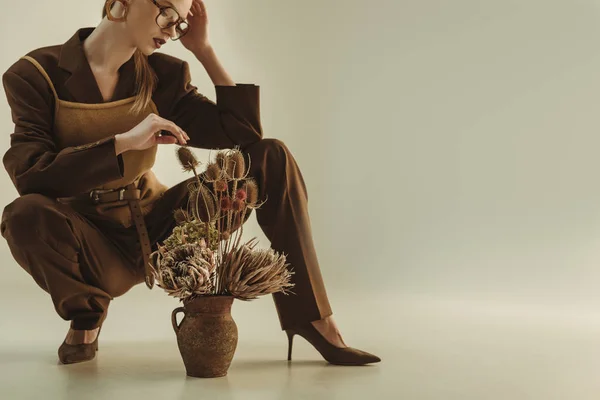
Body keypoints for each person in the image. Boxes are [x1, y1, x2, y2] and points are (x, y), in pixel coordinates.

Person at [0, 0, 380, 366]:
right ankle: (86, 316)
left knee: (271, 156)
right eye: (166, 13)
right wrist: (125, 142)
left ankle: (310, 317)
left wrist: (204, 50)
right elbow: (32, 175)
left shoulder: (162, 74)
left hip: (166, 230)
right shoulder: (36, 74)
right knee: (24, 214)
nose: (172, 29)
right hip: (91, 245)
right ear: (123, 1)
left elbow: (243, 134)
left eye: (180, 23)